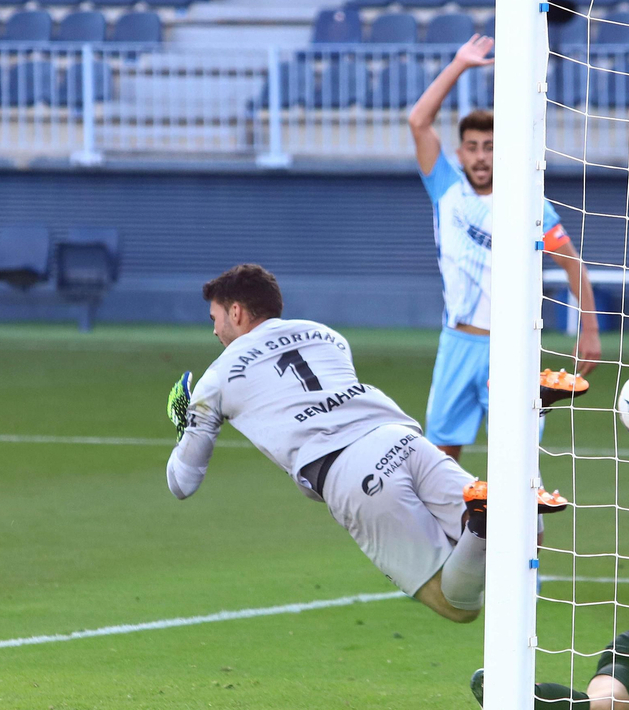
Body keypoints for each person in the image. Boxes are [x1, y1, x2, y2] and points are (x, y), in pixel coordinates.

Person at [163, 264, 565, 624]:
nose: (215, 330)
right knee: (519, 546)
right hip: (402, 438)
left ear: (236, 311)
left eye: (215, 318)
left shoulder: (214, 380)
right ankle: (528, 425)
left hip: (350, 472)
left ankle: (479, 523)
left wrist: (184, 424)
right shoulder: (327, 336)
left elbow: (183, 483)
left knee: (458, 604)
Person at [406, 34, 600, 462]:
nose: (480, 157)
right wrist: (458, 64)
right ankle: (457, 534)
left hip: (513, 351)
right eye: (472, 147)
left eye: (490, 148)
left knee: (518, 472)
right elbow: (419, 121)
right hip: (457, 342)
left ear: (504, 152)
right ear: (459, 152)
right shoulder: (446, 187)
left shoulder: (527, 201)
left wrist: (589, 329)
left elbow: (570, 262)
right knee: (440, 462)